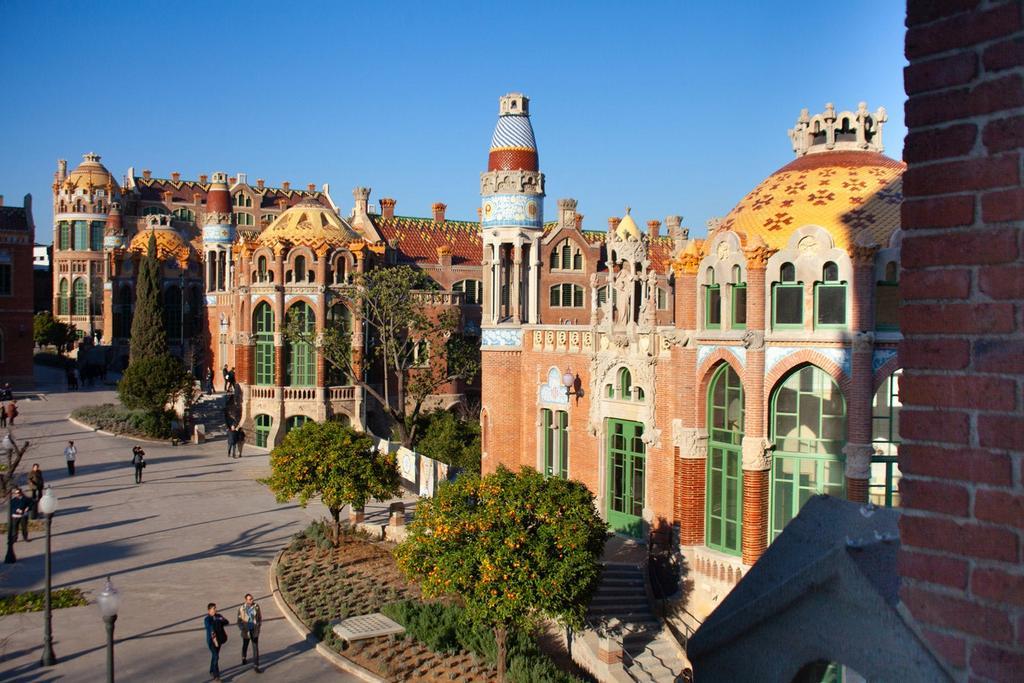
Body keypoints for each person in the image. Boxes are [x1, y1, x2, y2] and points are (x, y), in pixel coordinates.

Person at [237, 593, 262, 672]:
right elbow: (239, 621)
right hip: (246, 631)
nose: (252, 600)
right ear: (246, 600)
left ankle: (256, 665)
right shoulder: (241, 609)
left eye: (252, 598)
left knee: (255, 648)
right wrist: (242, 629)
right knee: (245, 644)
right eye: (250, 599)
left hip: (254, 630)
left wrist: (258, 625)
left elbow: (260, 617)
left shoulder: (256, 606)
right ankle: (243, 657)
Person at [204, 602, 229, 681]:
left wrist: (221, 619)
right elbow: (210, 627)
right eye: (214, 608)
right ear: (209, 610)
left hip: (220, 640)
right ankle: (216, 676)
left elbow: (227, 622)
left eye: (215, 608)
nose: (215, 610)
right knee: (216, 656)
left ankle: (211, 670)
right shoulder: (207, 619)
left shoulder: (218, 616)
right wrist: (215, 621)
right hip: (212, 641)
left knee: (215, 656)